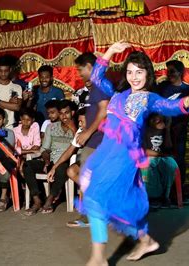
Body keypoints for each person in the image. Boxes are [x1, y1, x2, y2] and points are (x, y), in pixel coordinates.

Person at [79, 41, 189, 265]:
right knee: (112, 202)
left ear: (147, 73)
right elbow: (97, 78)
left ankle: (98, 258)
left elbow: (171, 107)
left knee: (95, 198)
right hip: (105, 154)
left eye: (139, 72)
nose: (134, 76)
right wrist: (109, 52)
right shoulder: (118, 94)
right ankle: (145, 240)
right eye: (130, 72)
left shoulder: (150, 98)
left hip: (124, 158)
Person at [68, 52, 110, 228]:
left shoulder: (99, 85)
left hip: (97, 140)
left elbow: (104, 111)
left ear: (90, 67)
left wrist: (87, 132)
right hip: (95, 140)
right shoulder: (97, 86)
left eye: (80, 69)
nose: (79, 73)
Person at [23, 100, 77, 216]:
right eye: (61, 113)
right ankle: (37, 200)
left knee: (62, 168)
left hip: (65, 163)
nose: (64, 116)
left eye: (66, 113)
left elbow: (79, 148)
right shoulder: (51, 127)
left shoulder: (78, 129)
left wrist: (74, 129)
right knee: (27, 165)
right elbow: (45, 149)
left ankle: (50, 199)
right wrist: (47, 161)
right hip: (50, 161)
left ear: (72, 113)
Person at [156, 60, 189, 186]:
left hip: (179, 129)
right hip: (161, 129)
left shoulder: (187, 89)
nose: (169, 74)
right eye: (167, 71)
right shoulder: (162, 87)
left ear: (180, 72)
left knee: (179, 159)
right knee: (162, 159)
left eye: (172, 71)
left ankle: (178, 192)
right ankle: (162, 192)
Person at [141, 114, 177, 208]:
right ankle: (153, 197)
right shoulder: (145, 131)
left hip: (162, 157)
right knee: (148, 165)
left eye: (159, 119)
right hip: (150, 156)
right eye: (155, 118)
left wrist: (167, 130)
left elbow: (168, 147)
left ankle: (166, 196)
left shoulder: (166, 130)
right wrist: (160, 154)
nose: (157, 120)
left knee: (171, 165)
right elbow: (144, 151)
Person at [13, 108, 41, 172]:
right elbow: (15, 150)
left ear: (33, 120)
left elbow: (37, 145)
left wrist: (24, 153)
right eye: (23, 119)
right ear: (20, 118)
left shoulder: (35, 126)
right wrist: (30, 151)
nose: (25, 122)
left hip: (31, 156)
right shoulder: (14, 130)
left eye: (28, 120)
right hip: (19, 156)